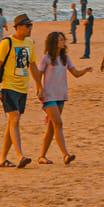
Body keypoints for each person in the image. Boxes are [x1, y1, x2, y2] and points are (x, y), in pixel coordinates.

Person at [0, 14, 42, 168]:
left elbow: (33, 66)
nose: (30, 28)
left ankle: (2, 158)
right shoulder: (7, 42)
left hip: (23, 87)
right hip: (8, 86)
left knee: (12, 122)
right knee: (15, 117)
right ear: (18, 27)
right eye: (27, 26)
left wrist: (40, 86)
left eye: (31, 25)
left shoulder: (29, 43)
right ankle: (20, 156)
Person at [36, 30, 92, 164]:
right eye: (60, 40)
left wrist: (85, 69)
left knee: (51, 126)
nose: (63, 42)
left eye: (63, 39)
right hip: (49, 96)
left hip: (61, 95)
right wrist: (39, 89)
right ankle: (65, 154)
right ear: (54, 42)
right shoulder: (46, 58)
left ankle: (42, 156)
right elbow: (38, 75)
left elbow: (76, 73)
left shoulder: (65, 58)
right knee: (59, 123)